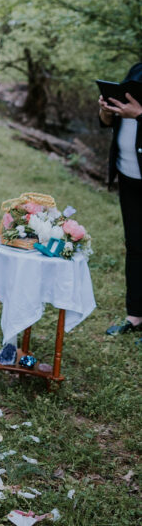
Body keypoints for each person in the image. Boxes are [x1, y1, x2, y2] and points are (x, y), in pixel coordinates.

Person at [98, 61, 142, 336]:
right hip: (128, 173)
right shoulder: (137, 70)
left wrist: (139, 114)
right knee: (136, 246)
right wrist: (106, 109)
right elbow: (108, 121)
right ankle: (135, 317)